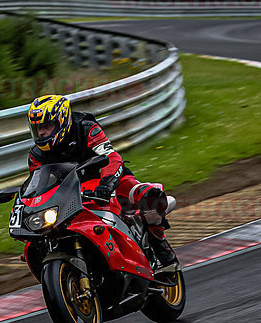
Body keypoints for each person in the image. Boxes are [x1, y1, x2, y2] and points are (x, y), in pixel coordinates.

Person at [26, 94, 178, 269]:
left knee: (149, 196)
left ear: (62, 121)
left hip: (108, 180)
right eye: (37, 128)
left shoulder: (86, 128)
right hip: (71, 194)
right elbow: (38, 186)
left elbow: (111, 157)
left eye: (46, 126)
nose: (41, 133)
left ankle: (160, 246)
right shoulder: (36, 155)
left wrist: (107, 183)